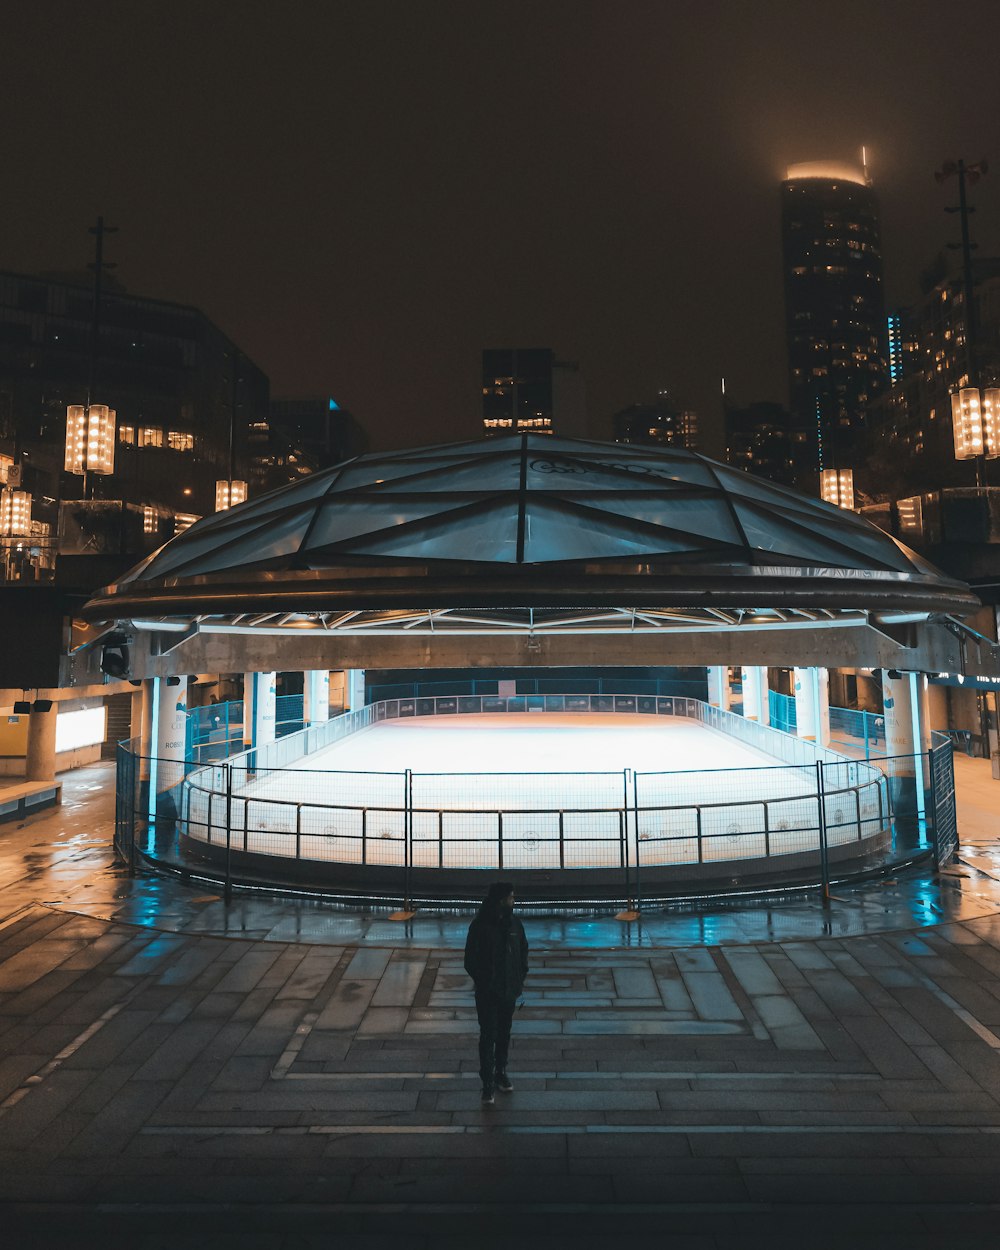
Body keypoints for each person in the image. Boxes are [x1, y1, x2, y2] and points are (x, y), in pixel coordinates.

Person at [464, 880, 528, 1105]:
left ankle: (497, 1074)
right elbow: (471, 960)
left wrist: (517, 978)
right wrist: (488, 981)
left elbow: (522, 953)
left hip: (505, 989)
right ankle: (490, 1080)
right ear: (502, 900)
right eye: (511, 897)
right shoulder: (486, 925)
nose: (514, 901)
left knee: (500, 1033)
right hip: (491, 991)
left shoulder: (510, 924)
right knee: (491, 1034)